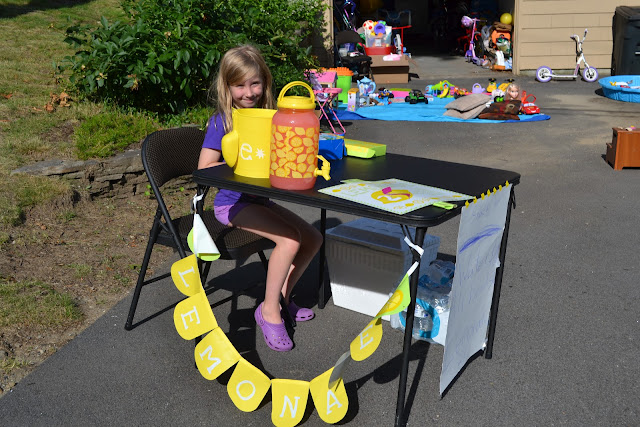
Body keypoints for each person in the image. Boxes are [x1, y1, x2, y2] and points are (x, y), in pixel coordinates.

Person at [198, 45, 323, 352]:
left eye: (255, 83)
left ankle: (278, 300)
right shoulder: (223, 121)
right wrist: (238, 163)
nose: (249, 92)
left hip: (260, 202)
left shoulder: (274, 118)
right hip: (232, 205)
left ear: (265, 83)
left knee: (313, 238)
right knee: (290, 240)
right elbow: (203, 169)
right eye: (239, 85)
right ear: (226, 87)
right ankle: (268, 312)